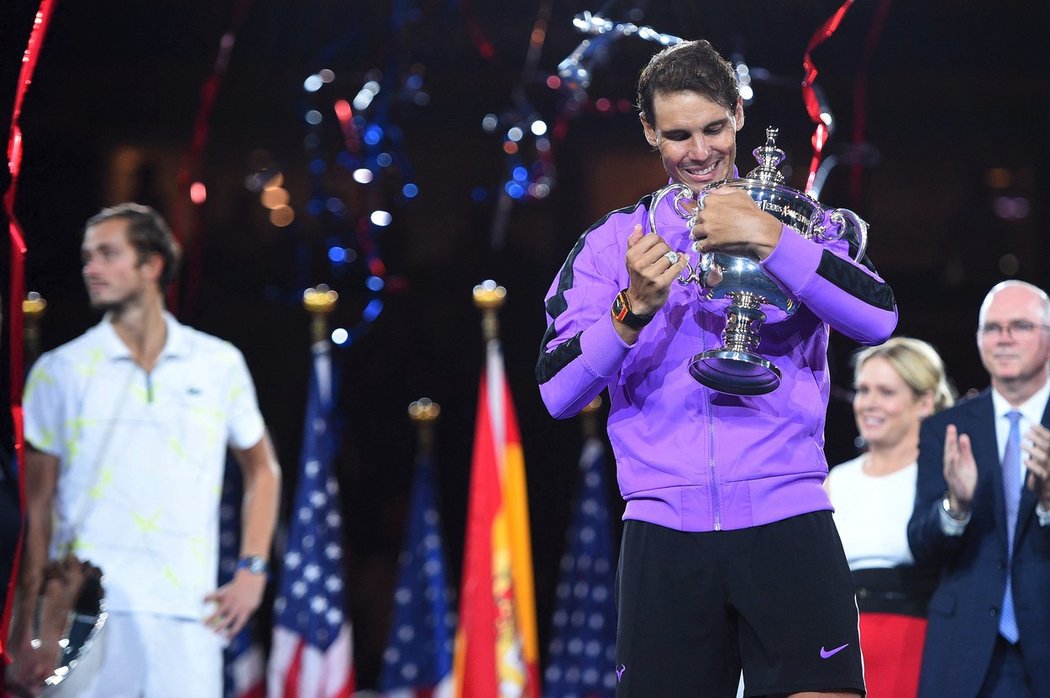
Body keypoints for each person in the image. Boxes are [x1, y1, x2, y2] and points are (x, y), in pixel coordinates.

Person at [535, 39, 897, 697]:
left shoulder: (802, 221)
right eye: (678, 135)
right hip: (663, 532)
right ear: (649, 132)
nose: (699, 152)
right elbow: (558, 392)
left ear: (737, 116)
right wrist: (629, 311)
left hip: (786, 516)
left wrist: (770, 239)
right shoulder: (611, 242)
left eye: (713, 128)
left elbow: (877, 319)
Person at [5, 203, 281, 698]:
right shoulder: (58, 370)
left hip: (189, 616)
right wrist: (31, 621)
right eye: (88, 257)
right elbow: (37, 508)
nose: (91, 268)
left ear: (151, 265)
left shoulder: (219, 364)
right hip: (83, 615)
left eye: (108, 254)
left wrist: (253, 570)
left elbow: (263, 468)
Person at [908, 280, 1050, 697]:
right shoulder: (946, 429)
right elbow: (922, 546)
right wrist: (957, 506)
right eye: (992, 328)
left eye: (1020, 326)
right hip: (966, 653)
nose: (1003, 338)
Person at [825, 337, 954, 697]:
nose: (869, 404)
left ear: (925, 401)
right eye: (863, 390)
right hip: (842, 648)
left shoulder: (946, 477)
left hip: (919, 644)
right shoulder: (836, 480)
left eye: (886, 391)